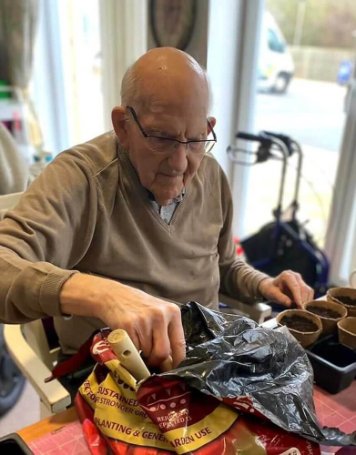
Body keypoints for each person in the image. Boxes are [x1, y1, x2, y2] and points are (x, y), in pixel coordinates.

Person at [0, 47, 313, 372]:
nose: (180, 163)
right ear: (123, 125)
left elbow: (223, 265)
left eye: (194, 140)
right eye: (161, 138)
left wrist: (265, 284)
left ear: (208, 128)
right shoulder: (83, 178)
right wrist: (104, 294)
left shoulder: (211, 175)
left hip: (204, 360)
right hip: (114, 374)